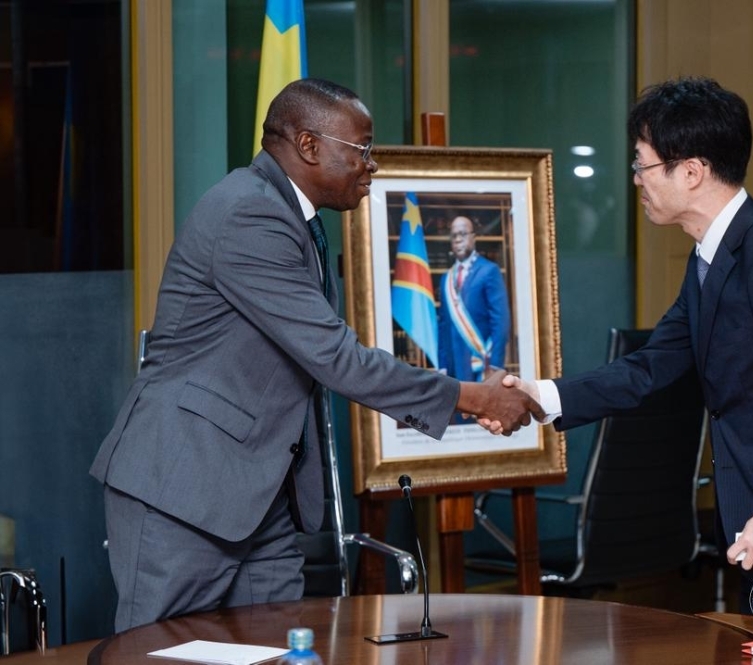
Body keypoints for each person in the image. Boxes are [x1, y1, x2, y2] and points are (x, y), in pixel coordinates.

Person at [89, 78, 538, 632]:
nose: (372, 164)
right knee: (162, 653)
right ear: (308, 146)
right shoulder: (249, 215)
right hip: (184, 490)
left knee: (280, 645)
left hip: (261, 495)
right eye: (363, 148)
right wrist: (470, 397)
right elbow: (336, 357)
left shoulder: (292, 218)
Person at [504, 77, 753, 625]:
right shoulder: (711, 257)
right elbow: (654, 365)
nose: (635, 180)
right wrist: (540, 397)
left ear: (691, 170)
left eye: (641, 164)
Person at [437, 215, 511, 382]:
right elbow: (443, 326)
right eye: (454, 235)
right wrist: (442, 365)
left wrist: (495, 365)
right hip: (453, 368)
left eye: (462, 234)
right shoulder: (446, 279)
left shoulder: (489, 271)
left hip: (480, 365)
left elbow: (500, 321)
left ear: (473, 237)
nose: (458, 240)